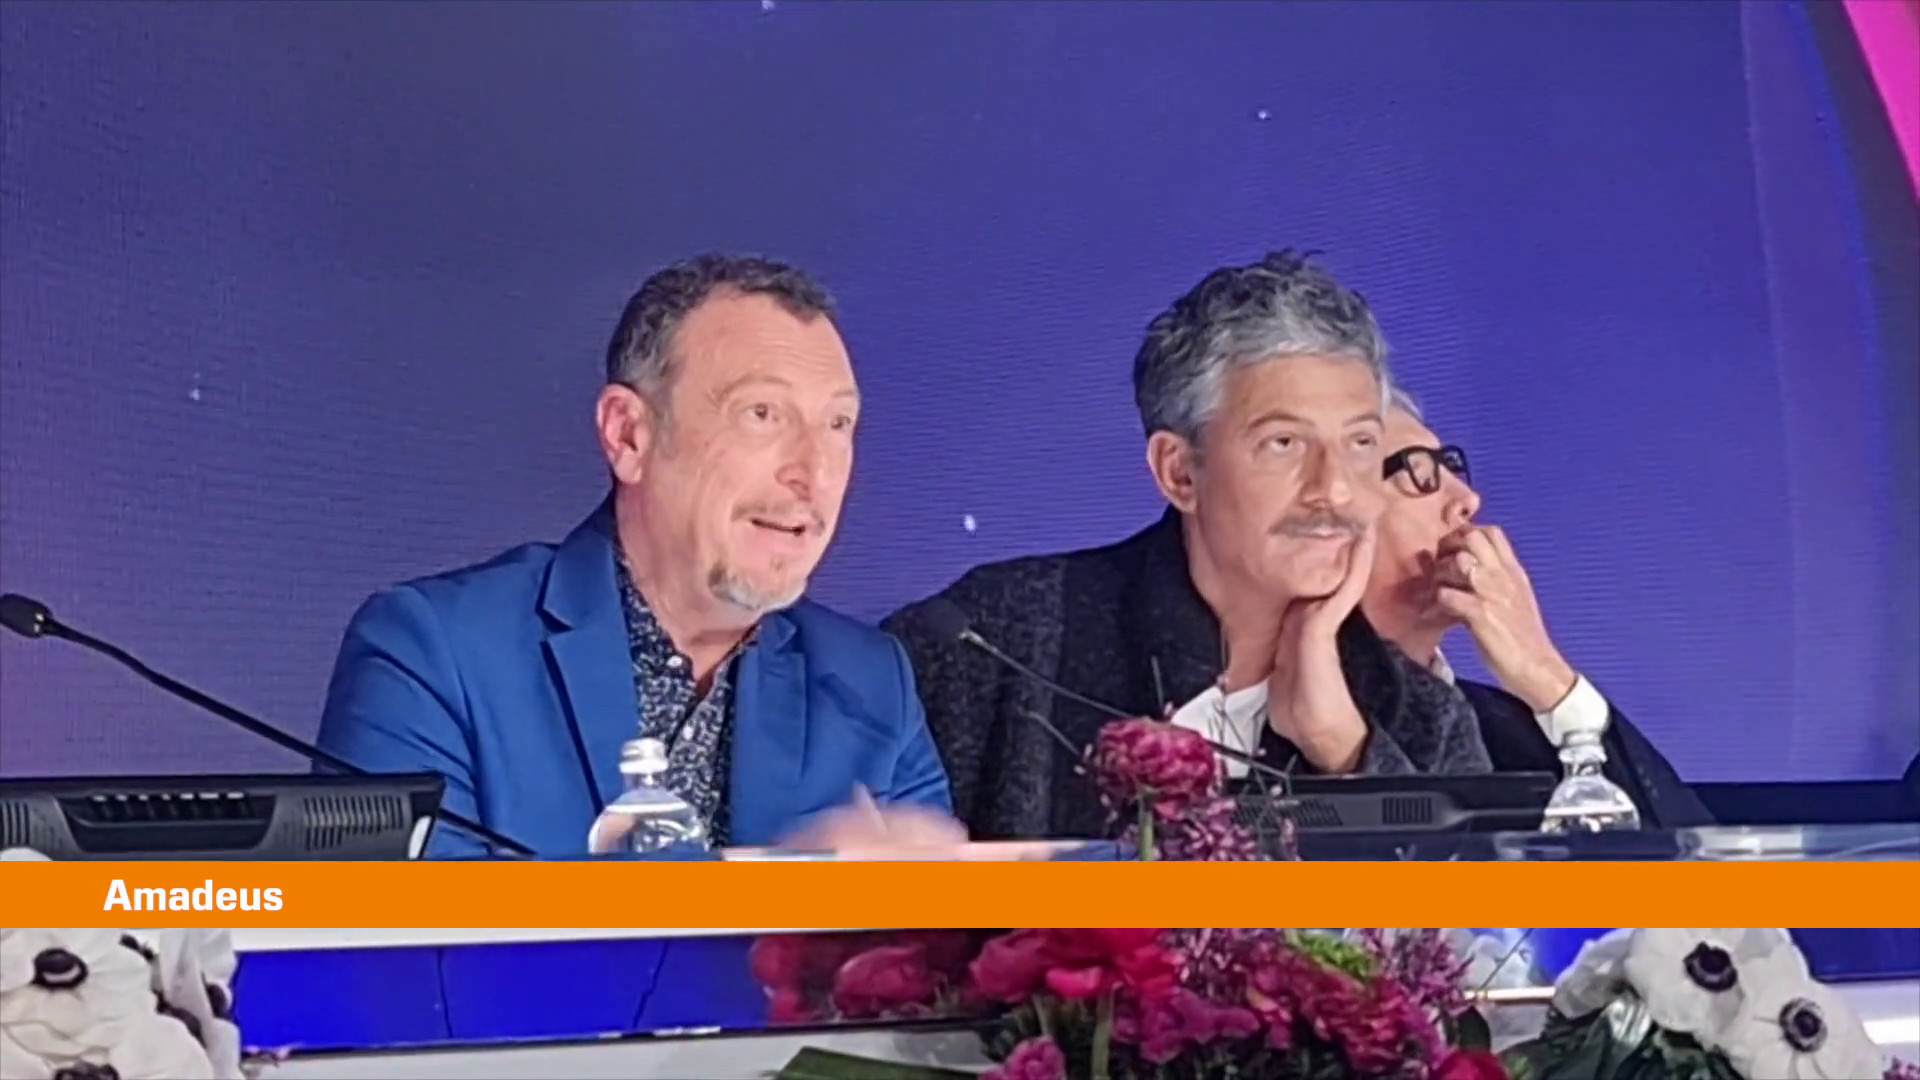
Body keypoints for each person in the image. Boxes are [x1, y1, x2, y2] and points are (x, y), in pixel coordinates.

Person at [318, 255, 957, 857]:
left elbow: (939, 939)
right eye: (762, 414)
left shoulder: (871, 685)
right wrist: (785, 895)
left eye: (838, 424)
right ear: (628, 435)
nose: (813, 472)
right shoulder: (435, 653)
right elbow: (395, 932)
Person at [884, 252, 1491, 841]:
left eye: (1360, 445)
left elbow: (1477, 906)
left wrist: (1343, 748)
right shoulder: (996, 640)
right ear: (1179, 472)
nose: (1334, 489)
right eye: (1283, 444)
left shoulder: (1421, 715)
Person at [1359, 388, 1713, 828]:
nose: (1468, 499)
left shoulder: (1514, 728)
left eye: (1450, 466)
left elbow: (1693, 857)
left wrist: (1547, 677)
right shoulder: (1284, 726)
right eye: (1419, 471)